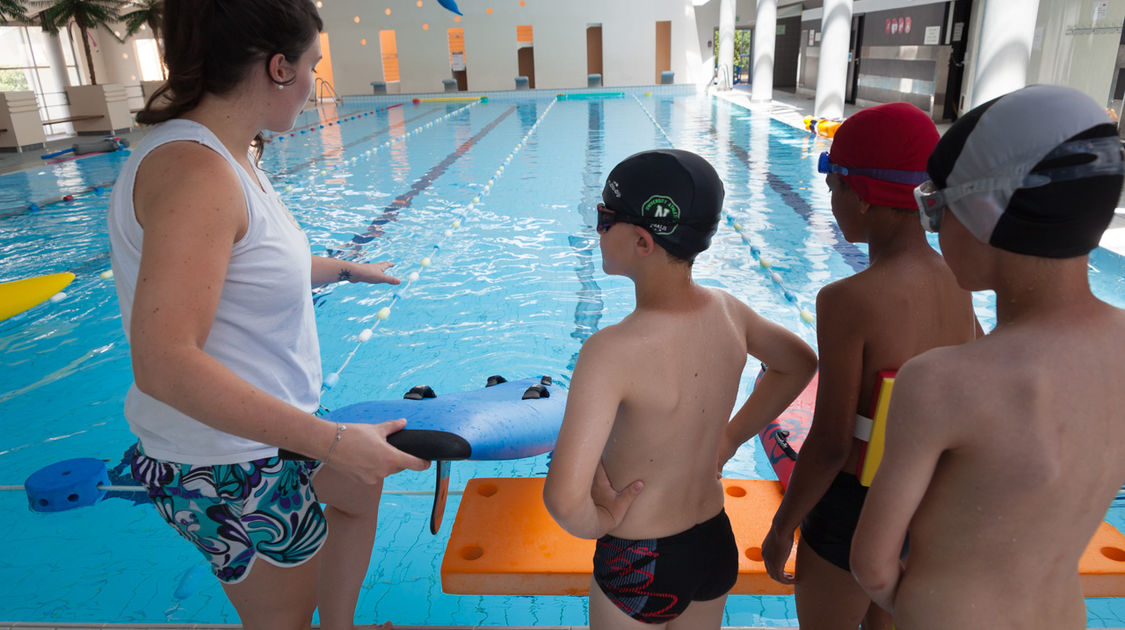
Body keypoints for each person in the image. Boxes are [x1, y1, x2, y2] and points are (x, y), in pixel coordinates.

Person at [106, 1, 429, 628]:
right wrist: (334, 441)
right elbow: (164, 363)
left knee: (359, 487)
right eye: (314, 67)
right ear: (279, 68)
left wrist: (336, 267)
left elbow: (236, 264)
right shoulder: (198, 173)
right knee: (285, 618)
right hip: (223, 461)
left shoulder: (226, 152)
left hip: (264, 437)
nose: (314, 88)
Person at [851, 84, 1125, 629]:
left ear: (983, 211)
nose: (936, 228)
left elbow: (872, 564)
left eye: (938, 207)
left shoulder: (942, 380)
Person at [543, 149, 818, 629]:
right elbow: (799, 363)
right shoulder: (731, 313)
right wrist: (730, 438)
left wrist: (599, 523)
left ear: (643, 241)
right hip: (713, 544)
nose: (597, 229)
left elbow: (564, 500)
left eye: (605, 218)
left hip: (640, 557)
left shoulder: (611, 351)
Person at [760, 102, 980, 630]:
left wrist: (783, 526)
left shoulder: (846, 300)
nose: (831, 201)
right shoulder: (960, 281)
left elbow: (833, 444)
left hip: (853, 512)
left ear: (861, 196)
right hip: (928, 504)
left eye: (834, 188)